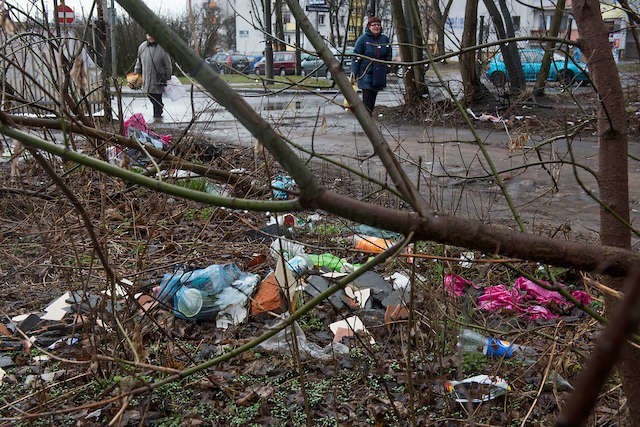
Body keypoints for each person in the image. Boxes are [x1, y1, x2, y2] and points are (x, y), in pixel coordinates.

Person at [352, 16, 392, 115]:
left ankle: (368, 118)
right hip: (366, 73)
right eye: (374, 25)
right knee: (367, 99)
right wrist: (354, 72)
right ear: (369, 27)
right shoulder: (363, 39)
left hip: (378, 73)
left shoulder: (384, 39)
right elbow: (356, 56)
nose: (376, 27)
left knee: (373, 98)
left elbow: (388, 55)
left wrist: (387, 68)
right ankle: (367, 121)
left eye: (378, 25)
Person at [134, 33, 172, 120]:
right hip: (146, 78)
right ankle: (159, 107)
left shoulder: (163, 48)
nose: (151, 36)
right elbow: (138, 62)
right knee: (150, 95)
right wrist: (136, 73)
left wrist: (168, 77)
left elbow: (168, 65)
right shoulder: (142, 47)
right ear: (146, 35)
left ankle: (157, 117)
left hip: (158, 79)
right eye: (149, 34)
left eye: (152, 34)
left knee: (157, 97)